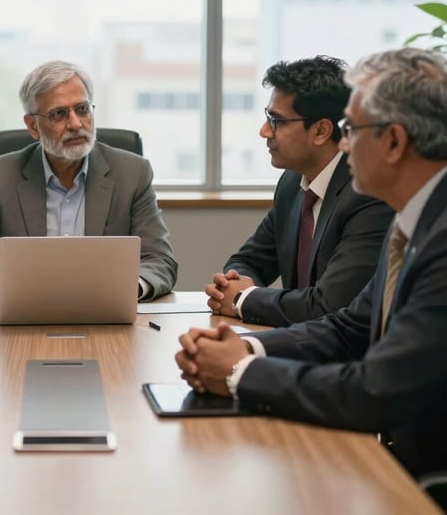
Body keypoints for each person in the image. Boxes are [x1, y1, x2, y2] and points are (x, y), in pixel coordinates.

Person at [176, 48, 447, 478]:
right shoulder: (417, 222)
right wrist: (245, 347)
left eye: (352, 129)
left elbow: (372, 391)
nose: (344, 143)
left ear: (394, 141)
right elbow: (350, 326)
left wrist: (241, 371)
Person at [0, 59, 177, 300]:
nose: (76, 124)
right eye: (59, 114)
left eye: (82, 109)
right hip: (25, 315)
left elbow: (160, 260)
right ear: (33, 125)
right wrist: (0, 286)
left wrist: (131, 288)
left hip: (109, 315)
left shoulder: (132, 173)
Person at [206, 56, 392, 326]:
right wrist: (233, 284)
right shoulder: (292, 184)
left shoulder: (366, 194)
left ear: (320, 131)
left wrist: (242, 299)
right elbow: (248, 260)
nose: (264, 131)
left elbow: (329, 306)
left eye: (276, 121)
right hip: (299, 344)